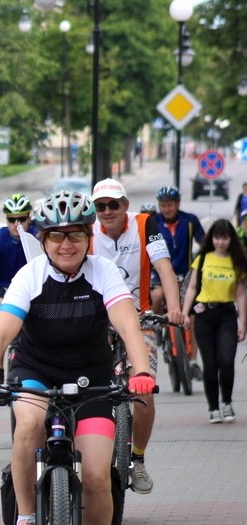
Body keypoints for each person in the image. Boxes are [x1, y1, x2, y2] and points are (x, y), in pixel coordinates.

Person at [0, 191, 155, 525]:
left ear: (88, 238)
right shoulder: (30, 276)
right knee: (28, 423)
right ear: (43, 239)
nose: (65, 245)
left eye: (74, 235)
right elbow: (3, 331)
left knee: (96, 475)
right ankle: (27, 519)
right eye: (55, 237)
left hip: (93, 380)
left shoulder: (103, 272)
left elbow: (127, 323)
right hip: (36, 370)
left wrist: (141, 370)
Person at [89, 178, 184, 495]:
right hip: (99, 321)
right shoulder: (88, 234)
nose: (106, 212)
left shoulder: (145, 224)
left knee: (143, 390)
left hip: (139, 317)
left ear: (125, 206)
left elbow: (164, 267)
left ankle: (138, 459)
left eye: (113, 204)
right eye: (100, 206)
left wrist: (173, 308)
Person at [180, 218, 247, 423]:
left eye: (225, 238)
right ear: (212, 238)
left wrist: (243, 322)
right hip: (204, 316)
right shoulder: (202, 259)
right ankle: (213, 408)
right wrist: (184, 313)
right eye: (217, 237)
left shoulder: (236, 261)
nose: (220, 242)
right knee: (210, 364)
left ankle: (226, 402)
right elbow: (192, 288)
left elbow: (241, 294)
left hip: (227, 315)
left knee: (226, 361)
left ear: (231, 239)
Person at [150, 186, 205, 315]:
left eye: (170, 205)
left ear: (177, 204)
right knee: (157, 297)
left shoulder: (190, 220)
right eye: (163, 205)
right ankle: (155, 330)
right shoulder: (153, 222)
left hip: (185, 273)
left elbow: (204, 243)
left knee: (194, 306)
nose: (166, 209)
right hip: (159, 275)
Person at [0, 194, 38, 295]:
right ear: (6, 220)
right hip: (4, 288)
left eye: (21, 219)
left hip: (31, 289)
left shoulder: (36, 237)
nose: (16, 224)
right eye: (11, 220)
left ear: (29, 220)